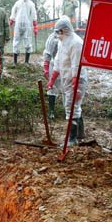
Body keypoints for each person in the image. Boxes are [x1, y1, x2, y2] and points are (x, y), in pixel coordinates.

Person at [47, 16, 88, 145]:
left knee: (71, 107)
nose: (57, 35)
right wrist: (52, 79)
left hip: (77, 79)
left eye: (59, 32)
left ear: (65, 30)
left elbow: (76, 64)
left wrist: (75, 82)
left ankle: (72, 138)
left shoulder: (76, 43)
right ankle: (80, 134)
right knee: (73, 105)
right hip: (67, 79)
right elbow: (58, 61)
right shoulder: (62, 42)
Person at [10, 0, 37, 64]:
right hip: (18, 25)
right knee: (16, 42)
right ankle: (15, 62)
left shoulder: (31, 4)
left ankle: (26, 62)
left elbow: (34, 15)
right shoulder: (17, 3)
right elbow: (13, 11)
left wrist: (35, 26)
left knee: (28, 42)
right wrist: (12, 19)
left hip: (27, 26)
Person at [42, 31, 60, 119]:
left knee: (68, 88)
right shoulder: (53, 38)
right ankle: (51, 110)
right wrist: (46, 66)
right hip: (54, 64)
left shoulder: (71, 38)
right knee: (52, 87)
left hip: (67, 65)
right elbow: (48, 52)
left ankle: (69, 111)